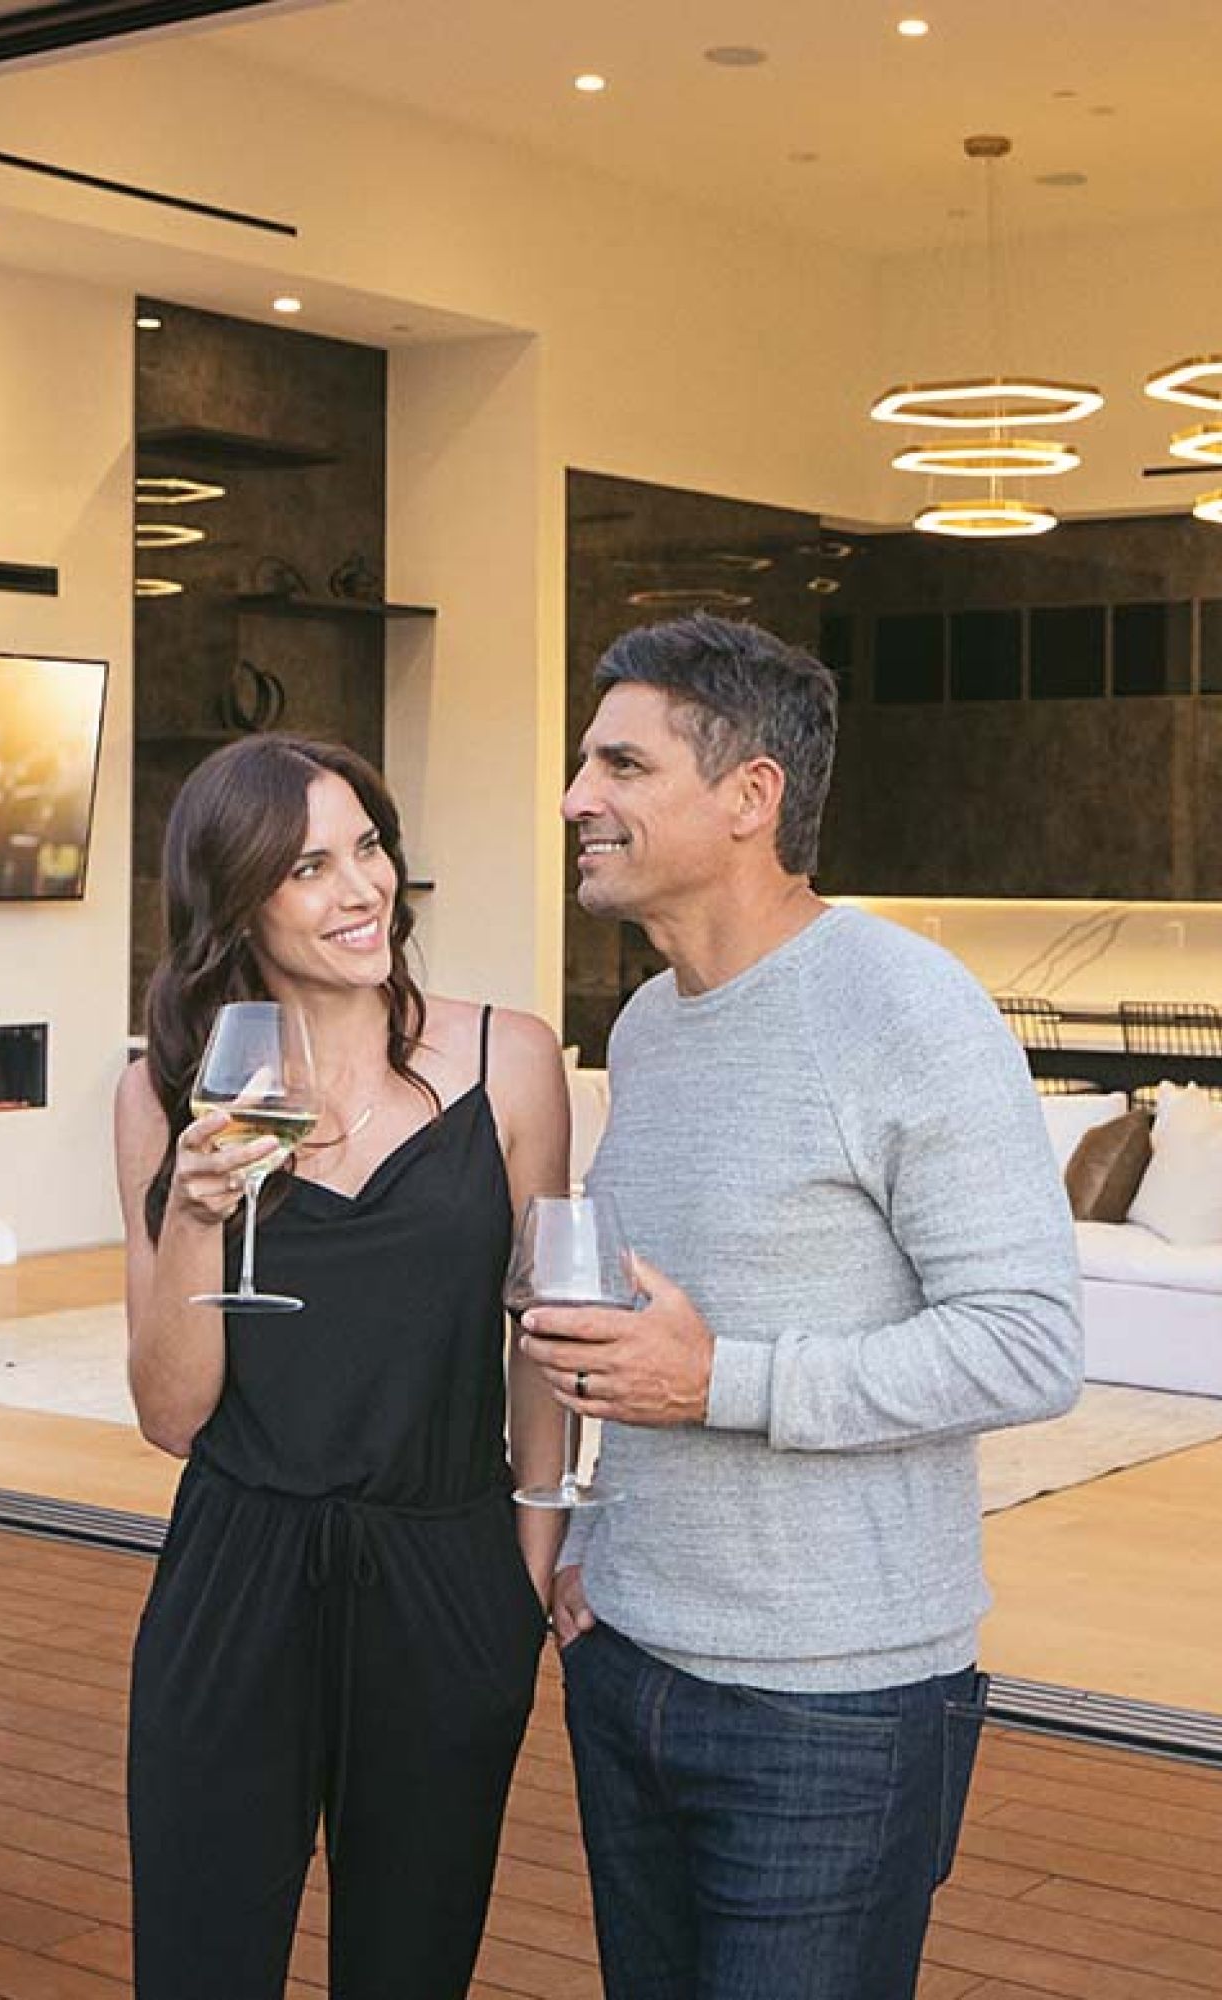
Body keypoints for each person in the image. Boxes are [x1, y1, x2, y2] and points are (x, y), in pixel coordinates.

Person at [524, 614, 1083, 2000]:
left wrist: (722, 1382)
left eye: (620, 765)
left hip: (835, 1709)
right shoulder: (648, 1024)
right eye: (586, 763)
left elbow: (1028, 1342)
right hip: (626, 1661)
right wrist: (594, 1539)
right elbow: (642, 1325)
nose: (576, 797)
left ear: (749, 795)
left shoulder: (906, 1009)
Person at [114, 733, 570, 2000]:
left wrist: (528, 1565)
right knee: (199, 1970)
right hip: (234, 1577)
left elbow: (539, 1333)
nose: (361, 887)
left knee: (410, 1969)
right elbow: (170, 1412)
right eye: (308, 865)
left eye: (366, 846)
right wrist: (194, 1212)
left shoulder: (508, 1059)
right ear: (234, 899)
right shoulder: (164, 1095)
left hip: (445, 1571)